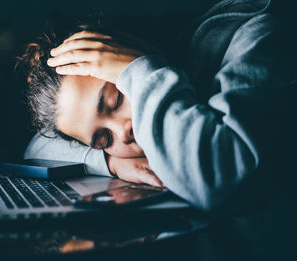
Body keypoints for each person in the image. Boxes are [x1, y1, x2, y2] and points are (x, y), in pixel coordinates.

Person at [17, 0, 297, 212]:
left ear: (130, 52)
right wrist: (112, 163)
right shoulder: (118, 151)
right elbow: (37, 148)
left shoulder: (252, 39)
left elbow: (215, 179)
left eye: (116, 99)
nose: (123, 131)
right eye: (104, 139)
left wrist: (143, 74)